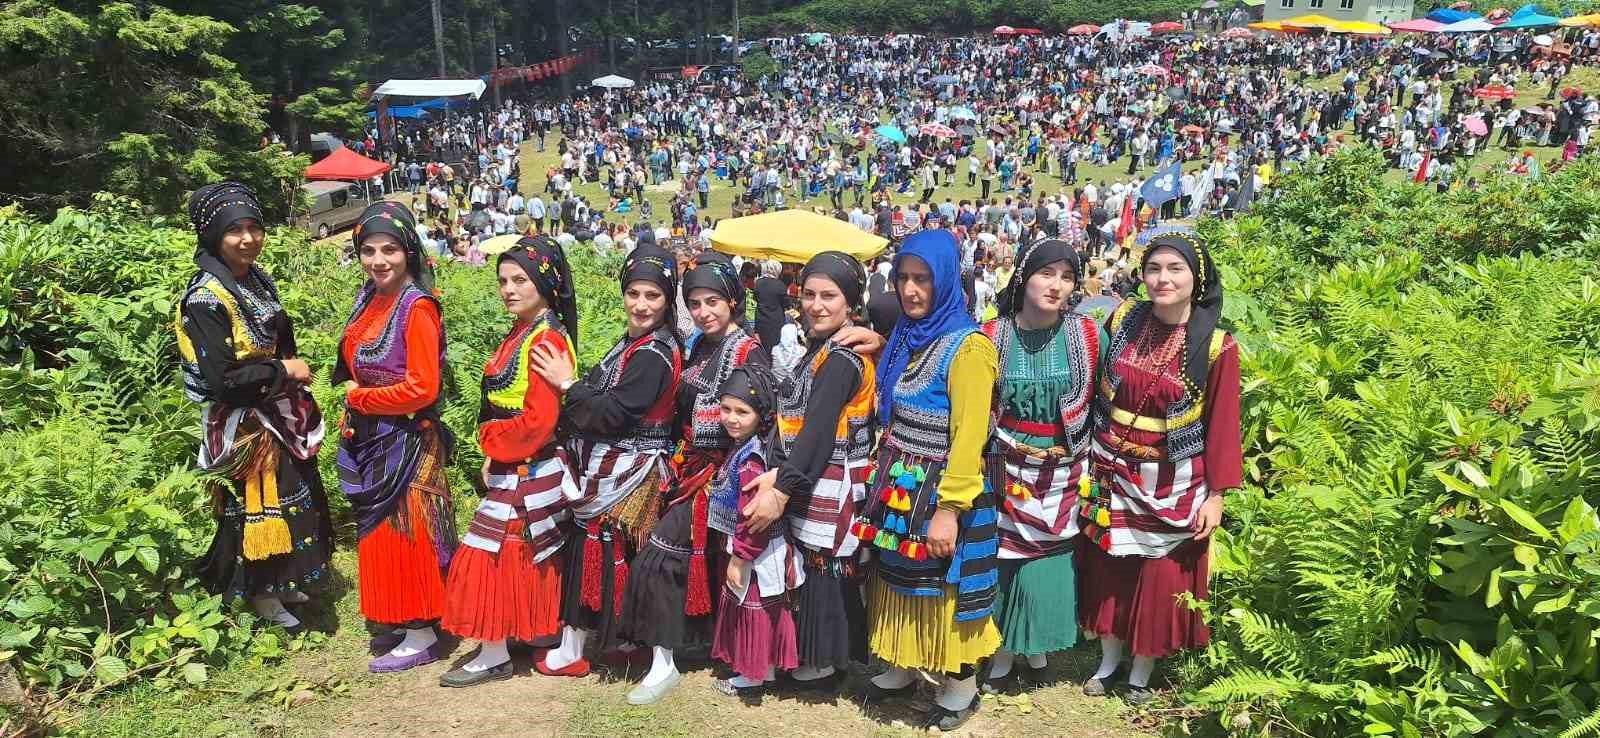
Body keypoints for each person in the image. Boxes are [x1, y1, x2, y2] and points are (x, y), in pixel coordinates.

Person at [1078, 231, 1241, 705]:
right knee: (1111, 564)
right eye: (1154, 269)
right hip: (1112, 467)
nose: (1162, 279)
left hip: (1174, 479)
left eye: (1175, 269)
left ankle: (1141, 670)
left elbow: (1223, 425)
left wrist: (1217, 495)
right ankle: (1109, 661)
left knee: (1158, 571)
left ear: (1198, 277)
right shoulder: (1125, 318)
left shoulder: (1217, 347)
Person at [852, 229, 999, 730]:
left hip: (941, 488)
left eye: (923, 280)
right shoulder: (909, 337)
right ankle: (900, 662)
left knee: (943, 586)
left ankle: (959, 687)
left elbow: (969, 437)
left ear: (947, 283)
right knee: (897, 576)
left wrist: (950, 509)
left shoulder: (969, 349)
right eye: (903, 279)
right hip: (902, 482)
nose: (911, 291)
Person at [176, 182, 333, 633]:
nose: (248, 239)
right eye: (235, 231)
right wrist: (285, 372)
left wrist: (288, 380)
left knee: (296, 497)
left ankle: (284, 582)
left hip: (275, 410)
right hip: (244, 422)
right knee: (262, 505)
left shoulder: (254, 277)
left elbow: (280, 334)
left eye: (254, 228)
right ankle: (261, 594)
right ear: (213, 236)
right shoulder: (206, 299)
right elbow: (222, 380)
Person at [618, 252, 767, 705]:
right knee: (672, 557)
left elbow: (762, 417)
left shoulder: (749, 351)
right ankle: (679, 646)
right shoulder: (697, 345)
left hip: (724, 475)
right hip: (687, 468)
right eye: (695, 303)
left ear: (734, 301)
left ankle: (665, 665)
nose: (704, 312)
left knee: (661, 556)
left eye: (713, 302)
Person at [437, 236, 579, 687]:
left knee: (488, 551)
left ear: (545, 282)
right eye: (502, 281)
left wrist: (492, 444)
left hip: (529, 462)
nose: (508, 289)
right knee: (523, 552)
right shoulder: (524, 330)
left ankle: (494, 649)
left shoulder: (546, 339)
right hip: (515, 462)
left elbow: (539, 421)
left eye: (520, 280)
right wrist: (493, 454)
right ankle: (532, 629)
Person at [537, 245, 683, 680]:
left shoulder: (654, 354)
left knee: (611, 552)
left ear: (667, 299)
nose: (641, 304)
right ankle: (586, 644)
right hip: (610, 465)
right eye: (634, 293)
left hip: (629, 470)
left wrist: (568, 384)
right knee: (592, 551)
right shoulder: (634, 343)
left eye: (652, 296)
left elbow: (612, 413)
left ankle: (626, 647)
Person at [741, 252, 880, 694]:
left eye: (829, 296)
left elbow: (818, 431)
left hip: (833, 473)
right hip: (818, 471)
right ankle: (826, 657)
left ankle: (823, 663)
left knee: (825, 565)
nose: (817, 305)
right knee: (824, 567)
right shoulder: (825, 349)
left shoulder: (840, 359)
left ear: (851, 303)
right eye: (809, 295)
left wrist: (783, 488)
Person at [333, 202, 456, 674]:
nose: (378, 260)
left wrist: (360, 398)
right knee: (382, 529)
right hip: (374, 435)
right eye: (368, 250)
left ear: (408, 252)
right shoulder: (370, 297)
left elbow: (423, 388)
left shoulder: (417, 307)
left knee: (406, 529)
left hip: (404, 438)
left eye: (389, 249)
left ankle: (423, 629)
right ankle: (402, 617)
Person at [978, 239, 1105, 692]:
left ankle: (1036, 648)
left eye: (1067, 277)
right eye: (1046, 274)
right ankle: (1002, 651)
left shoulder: (1089, 335)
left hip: (1066, 466)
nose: (1056, 286)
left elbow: (1106, 401)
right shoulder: (991, 336)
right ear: (1024, 275)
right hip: (1005, 463)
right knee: (1005, 557)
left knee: (1047, 561)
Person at [708, 364, 800, 695]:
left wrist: (740, 557)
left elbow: (753, 518)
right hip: (752, 549)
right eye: (726, 409)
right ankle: (764, 669)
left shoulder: (751, 461)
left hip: (756, 552)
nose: (731, 418)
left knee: (756, 611)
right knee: (761, 609)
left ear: (760, 415)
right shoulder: (745, 447)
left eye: (742, 411)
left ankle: (753, 674)